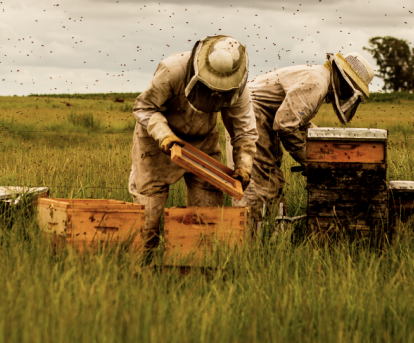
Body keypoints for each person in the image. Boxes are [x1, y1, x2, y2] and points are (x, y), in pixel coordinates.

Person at [129, 35, 257, 253]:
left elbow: (244, 130)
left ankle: (195, 271)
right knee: (146, 215)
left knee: (205, 221)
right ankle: (138, 270)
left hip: (203, 142)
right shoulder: (172, 69)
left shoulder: (238, 87)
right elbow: (144, 107)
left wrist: (244, 165)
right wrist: (164, 136)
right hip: (157, 141)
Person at [235, 52, 375, 233]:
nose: (348, 95)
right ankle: (246, 238)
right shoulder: (316, 83)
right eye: (352, 90)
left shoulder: (318, 78)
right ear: (345, 80)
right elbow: (285, 126)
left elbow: (298, 121)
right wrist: (310, 161)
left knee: (272, 180)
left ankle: (271, 236)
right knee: (259, 181)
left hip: (262, 116)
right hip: (253, 115)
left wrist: (325, 147)